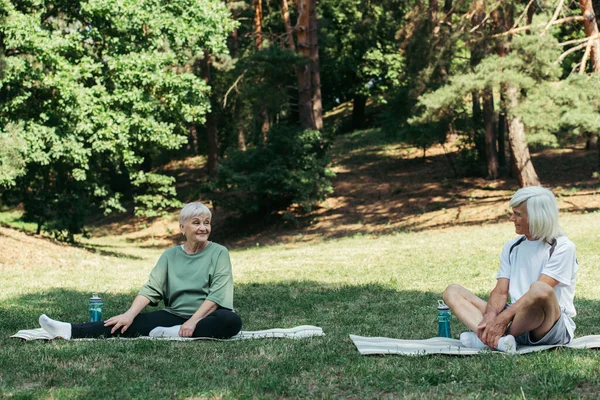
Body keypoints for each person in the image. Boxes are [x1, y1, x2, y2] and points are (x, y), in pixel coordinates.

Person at [39, 202, 243, 339]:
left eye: (206, 223)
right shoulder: (170, 255)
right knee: (127, 324)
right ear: (182, 228)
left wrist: (192, 321)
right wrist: (129, 314)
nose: (203, 228)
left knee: (231, 321)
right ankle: (68, 330)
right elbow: (151, 288)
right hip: (174, 314)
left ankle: (172, 333)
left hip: (209, 316)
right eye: (196, 223)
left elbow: (216, 296)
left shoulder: (219, 253)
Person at [442, 186, 578, 353]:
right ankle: (495, 339)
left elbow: (540, 292)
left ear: (537, 217)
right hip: (516, 318)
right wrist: (491, 316)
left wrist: (502, 320)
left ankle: (488, 338)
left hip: (548, 325)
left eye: (518, 214)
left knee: (539, 289)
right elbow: (500, 292)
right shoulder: (512, 246)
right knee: (452, 291)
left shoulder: (563, 247)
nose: (512, 218)